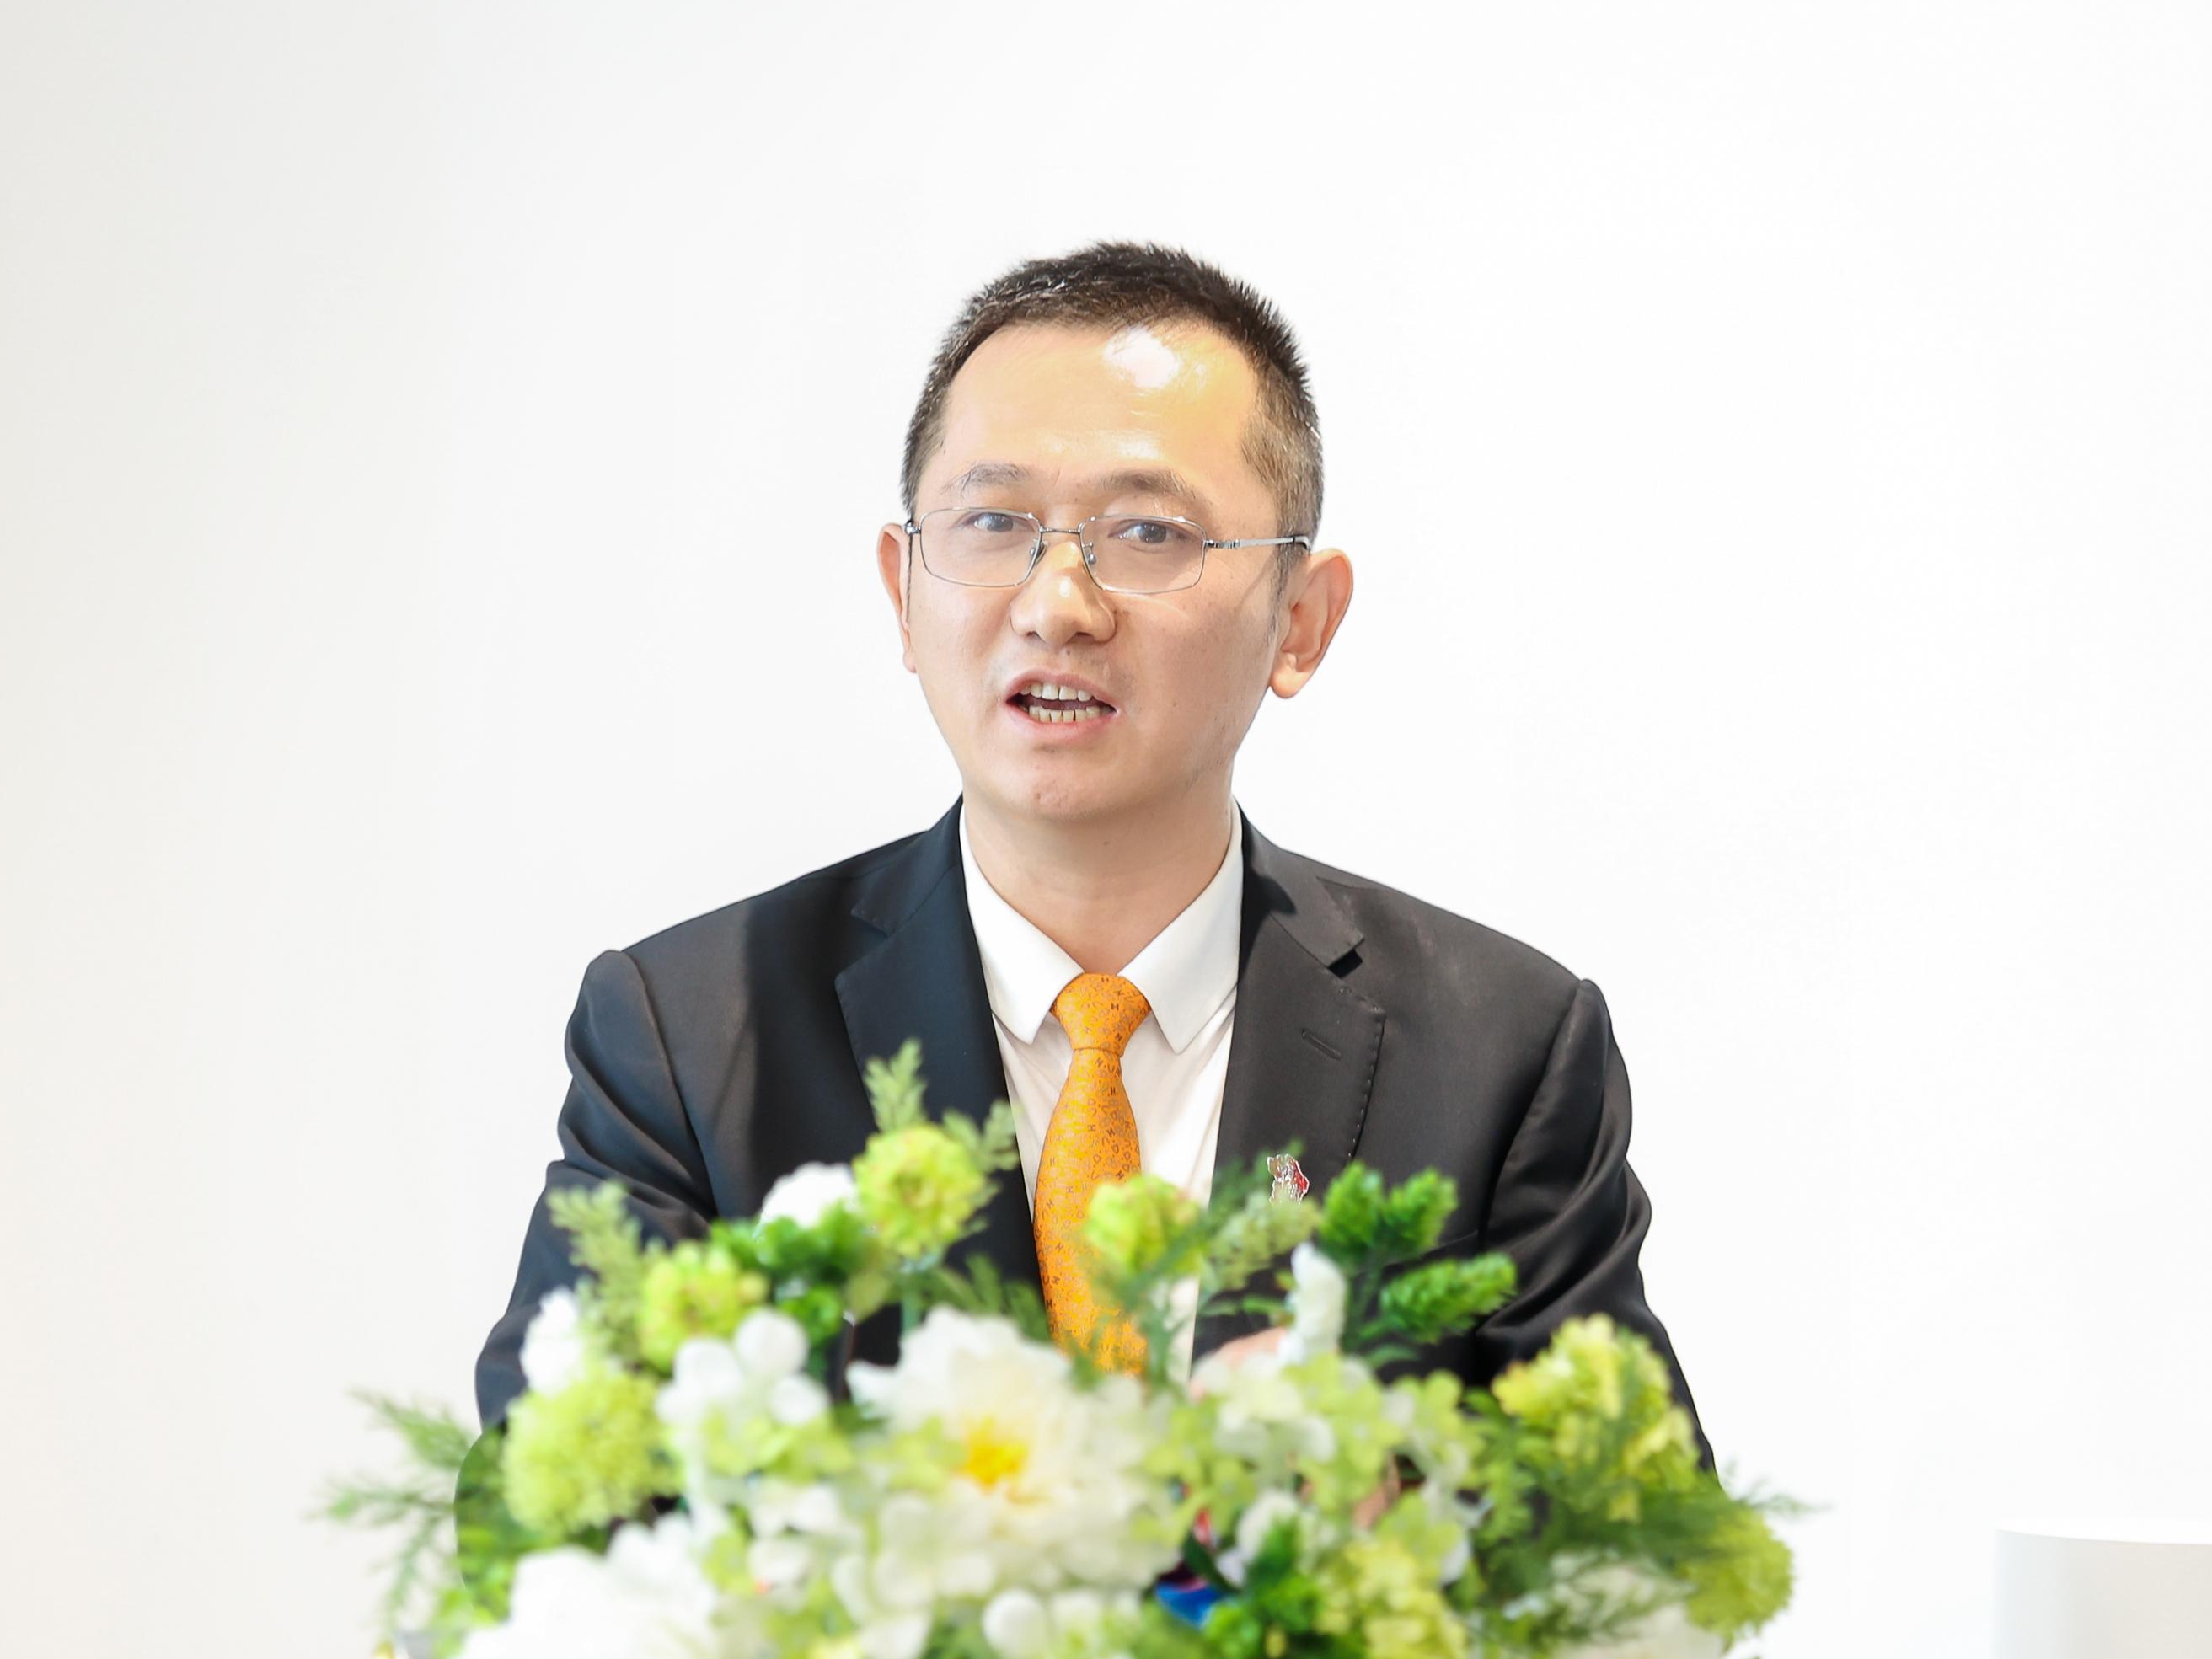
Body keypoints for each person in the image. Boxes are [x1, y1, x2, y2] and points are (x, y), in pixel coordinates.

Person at [474, 241, 1684, 1428]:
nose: (1058, 606)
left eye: (1148, 534)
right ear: (903, 592)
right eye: (993, 523)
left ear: (1302, 621)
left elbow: (1630, 1538)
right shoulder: (694, 1040)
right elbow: (547, 1520)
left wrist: (1379, 1504)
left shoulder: (1496, 1054)